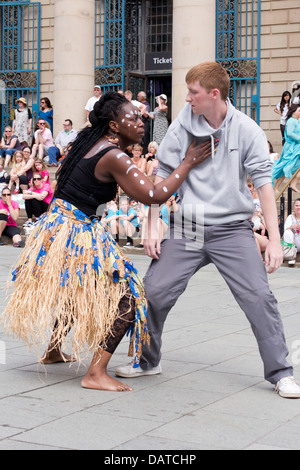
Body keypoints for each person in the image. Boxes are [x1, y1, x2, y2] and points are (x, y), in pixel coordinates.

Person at [2, 91, 210, 392]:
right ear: (113, 125)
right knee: (129, 299)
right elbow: (154, 195)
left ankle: (53, 350)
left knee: (75, 288)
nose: (141, 122)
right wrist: (188, 163)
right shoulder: (113, 155)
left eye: (141, 117)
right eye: (134, 117)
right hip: (74, 231)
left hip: (59, 228)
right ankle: (95, 373)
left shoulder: (88, 145)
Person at [115, 61, 300, 399]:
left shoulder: (247, 130)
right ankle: (147, 359)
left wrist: (274, 240)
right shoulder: (184, 122)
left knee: (259, 296)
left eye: (193, 93)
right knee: (153, 291)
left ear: (214, 95)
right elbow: (163, 172)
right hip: (189, 223)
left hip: (232, 226)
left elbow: (263, 185)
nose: (186, 99)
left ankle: (281, 372)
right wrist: (154, 222)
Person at [272, 103, 300, 192]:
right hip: (291, 148)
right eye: (299, 111)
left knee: (288, 167)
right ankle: (276, 187)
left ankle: (293, 184)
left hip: (296, 147)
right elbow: (290, 133)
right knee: (285, 167)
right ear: (294, 111)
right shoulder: (291, 121)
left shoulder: (296, 121)